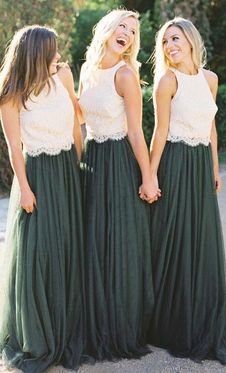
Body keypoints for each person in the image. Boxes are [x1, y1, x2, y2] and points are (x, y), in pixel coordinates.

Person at [147, 17, 226, 364]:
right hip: (175, 164)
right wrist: (151, 176)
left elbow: (210, 129)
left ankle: (202, 311)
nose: (170, 45)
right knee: (176, 238)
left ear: (191, 40)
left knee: (201, 238)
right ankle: (171, 319)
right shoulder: (166, 82)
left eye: (176, 38)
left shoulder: (210, 79)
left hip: (200, 166)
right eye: (166, 40)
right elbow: (160, 131)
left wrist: (213, 167)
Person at [0, 25, 85, 372]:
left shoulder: (62, 75)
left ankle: (67, 328)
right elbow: (13, 147)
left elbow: (78, 122)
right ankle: (40, 335)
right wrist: (25, 189)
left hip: (67, 170)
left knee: (67, 248)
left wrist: (83, 166)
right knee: (41, 254)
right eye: (51, 49)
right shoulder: (11, 93)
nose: (57, 54)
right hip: (37, 175)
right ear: (35, 52)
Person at [79, 9, 159, 360]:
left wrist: (149, 175)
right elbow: (80, 119)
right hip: (92, 160)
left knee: (120, 244)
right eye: (122, 26)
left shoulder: (126, 75)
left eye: (133, 30)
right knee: (94, 243)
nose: (127, 33)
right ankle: (95, 320)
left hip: (119, 163)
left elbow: (136, 132)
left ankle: (123, 324)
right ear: (107, 30)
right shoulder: (86, 69)